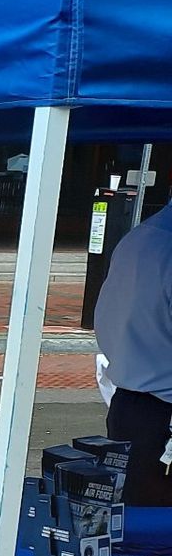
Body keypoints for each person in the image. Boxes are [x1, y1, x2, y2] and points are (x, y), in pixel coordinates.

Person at [94, 205, 172, 506]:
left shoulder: (138, 239)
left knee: (133, 517)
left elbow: (106, 320)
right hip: (160, 414)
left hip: (131, 403)